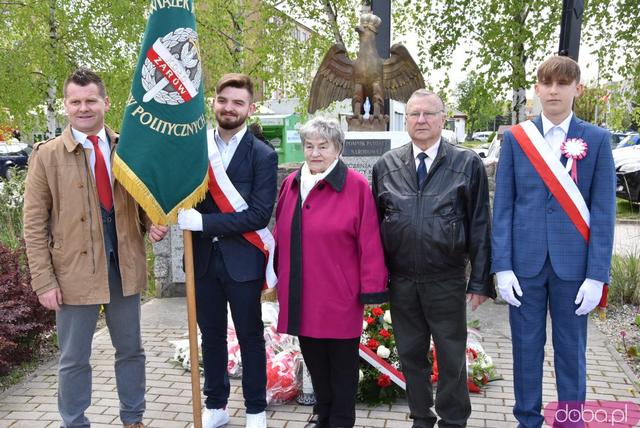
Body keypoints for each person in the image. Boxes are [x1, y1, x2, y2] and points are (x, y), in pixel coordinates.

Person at [22, 68, 168, 428]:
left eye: (90, 100)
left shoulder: (128, 149)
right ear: (66, 105)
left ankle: (133, 418)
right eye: (75, 101)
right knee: (73, 358)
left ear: (105, 102)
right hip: (72, 275)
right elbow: (34, 225)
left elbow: (144, 197)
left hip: (124, 268)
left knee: (131, 351)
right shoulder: (46, 156)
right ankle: (74, 422)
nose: (83, 108)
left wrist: (154, 222)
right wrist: (44, 281)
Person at [492, 55, 615, 428]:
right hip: (525, 267)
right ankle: (527, 420)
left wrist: (597, 275)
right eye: (546, 83)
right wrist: (503, 267)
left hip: (574, 269)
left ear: (577, 89)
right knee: (526, 351)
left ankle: (570, 421)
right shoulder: (516, 138)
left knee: (571, 352)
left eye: (562, 83)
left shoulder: (596, 139)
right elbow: (505, 207)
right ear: (537, 89)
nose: (553, 90)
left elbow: (605, 212)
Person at [372, 89, 494, 428]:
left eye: (428, 114)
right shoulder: (386, 166)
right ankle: (421, 416)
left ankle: (454, 419)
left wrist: (481, 281)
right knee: (411, 354)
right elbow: (375, 227)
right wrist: (375, 280)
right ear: (405, 120)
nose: (421, 120)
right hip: (403, 281)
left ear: (443, 119)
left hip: (446, 279)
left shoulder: (466, 164)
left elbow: (481, 225)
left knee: (451, 356)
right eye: (414, 114)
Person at [177, 73, 278, 428]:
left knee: (250, 337)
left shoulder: (263, 154)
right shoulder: (194, 148)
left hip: (243, 261)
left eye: (238, 103)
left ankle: (255, 410)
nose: (229, 108)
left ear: (250, 108)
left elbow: (258, 214)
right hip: (202, 261)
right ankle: (216, 406)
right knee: (212, 336)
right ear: (214, 103)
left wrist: (203, 224)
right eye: (223, 101)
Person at [275, 117, 388, 428]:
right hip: (303, 294)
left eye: (323, 146)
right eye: (309, 146)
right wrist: (274, 278)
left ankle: (340, 421)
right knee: (316, 365)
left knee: (341, 369)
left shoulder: (356, 185)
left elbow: (370, 241)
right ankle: (322, 417)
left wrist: (373, 288)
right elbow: (280, 237)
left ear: (338, 148)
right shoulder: (291, 184)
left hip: (340, 296)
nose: (315, 153)